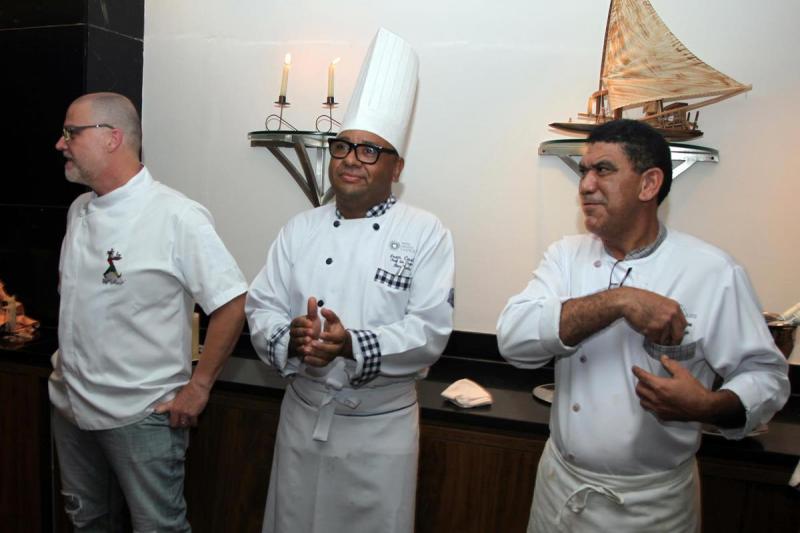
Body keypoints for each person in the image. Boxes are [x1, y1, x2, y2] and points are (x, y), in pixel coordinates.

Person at [497, 119, 789, 532]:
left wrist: (707, 406)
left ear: (649, 184)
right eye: (584, 171)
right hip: (559, 492)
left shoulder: (712, 272)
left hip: (652, 507)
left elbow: (767, 376)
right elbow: (514, 341)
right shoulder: (565, 257)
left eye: (603, 169)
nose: (585, 185)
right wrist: (620, 300)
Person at [246, 28, 454, 533]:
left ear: (396, 167)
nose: (352, 159)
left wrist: (349, 345)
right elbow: (261, 307)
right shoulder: (300, 229)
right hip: (302, 419)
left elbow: (429, 331)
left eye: (370, 151)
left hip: (379, 434)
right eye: (343, 146)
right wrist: (291, 338)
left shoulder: (425, 233)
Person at [50, 92, 247, 531]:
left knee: (158, 527)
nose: (61, 144)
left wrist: (199, 387)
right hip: (71, 406)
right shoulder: (79, 210)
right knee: (87, 522)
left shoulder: (177, 216)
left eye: (71, 132)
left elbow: (233, 303)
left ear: (112, 138)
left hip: (140, 414)